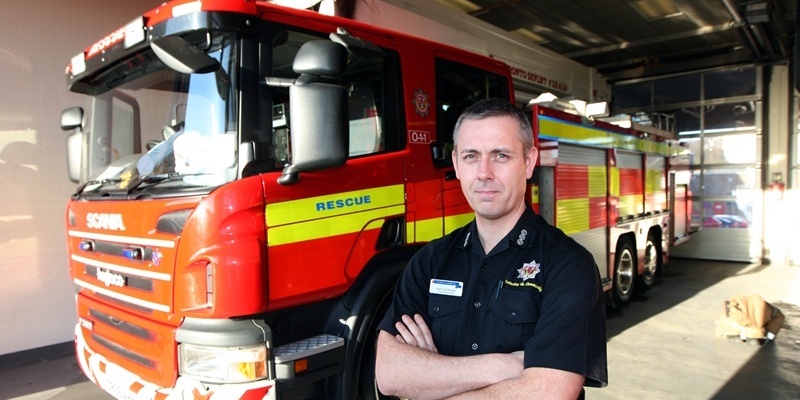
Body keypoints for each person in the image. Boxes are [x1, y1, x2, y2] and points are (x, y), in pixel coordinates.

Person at [374, 98, 607, 399]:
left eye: (500, 155)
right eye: (471, 156)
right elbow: (390, 373)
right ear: (456, 164)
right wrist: (502, 366)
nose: (484, 173)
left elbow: (548, 393)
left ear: (529, 161)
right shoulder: (429, 262)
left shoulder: (569, 265)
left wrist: (431, 381)